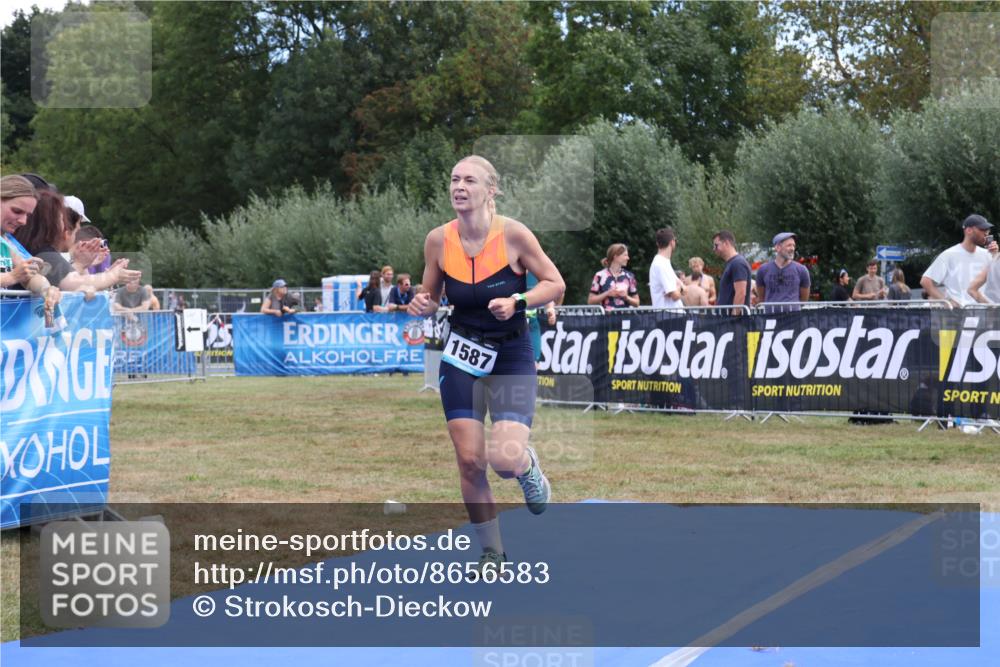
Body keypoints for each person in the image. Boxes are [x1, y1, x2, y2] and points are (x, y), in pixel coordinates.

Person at [406, 155, 565, 572]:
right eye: (454, 179)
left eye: (470, 180)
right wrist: (422, 304)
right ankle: (493, 552)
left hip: (511, 352)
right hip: (462, 354)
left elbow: (555, 283)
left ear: (490, 190)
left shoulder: (513, 235)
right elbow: (430, 297)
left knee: (504, 460)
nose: (459, 187)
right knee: (471, 461)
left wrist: (518, 301)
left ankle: (528, 468)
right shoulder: (438, 240)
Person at [14, 189, 138, 295]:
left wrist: (81, 264)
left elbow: (59, 280)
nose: (65, 225)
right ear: (50, 224)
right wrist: (114, 275)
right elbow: (72, 283)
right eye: (60, 218)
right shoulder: (44, 254)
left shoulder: (25, 249)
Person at [922, 214, 997, 307]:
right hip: (960, 314)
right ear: (968, 230)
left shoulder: (988, 254)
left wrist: (995, 255)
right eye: (982, 229)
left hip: (983, 313)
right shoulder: (949, 254)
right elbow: (925, 281)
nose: (986, 233)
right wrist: (946, 302)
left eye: (987, 230)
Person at [755, 232, 811, 309]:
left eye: (793, 245)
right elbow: (761, 297)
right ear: (778, 247)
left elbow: (804, 299)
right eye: (789, 245)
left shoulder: (801, 270)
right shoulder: (763, 270)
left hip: (793, 318)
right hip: (771, 317)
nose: (792, 248)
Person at [588, 243, 639, 310]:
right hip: (606, 319)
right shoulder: (600, 275)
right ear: (616, 256)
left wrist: (626, 297)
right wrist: (607, 293)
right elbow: (590, 301)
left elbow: (637, 303)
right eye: (625, 255)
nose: (628, 258)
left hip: (625, 318)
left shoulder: (629, 276)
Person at [712, 230, 752, 315]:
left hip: (734, 322)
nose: (714, 249)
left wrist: (734, 316)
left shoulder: (738, 263)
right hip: (727, 319)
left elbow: (741, 292)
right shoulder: (732, 263)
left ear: (726, 243)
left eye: (716, 245)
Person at [649, 227, 684, 309]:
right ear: (672, 242)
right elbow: (675, 296)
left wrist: (678, 288)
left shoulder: (664, 262)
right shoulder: (661, 263)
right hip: (669, 314)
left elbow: (684, 289)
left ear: (657, 243)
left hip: (669, 314)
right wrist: (679, 287)